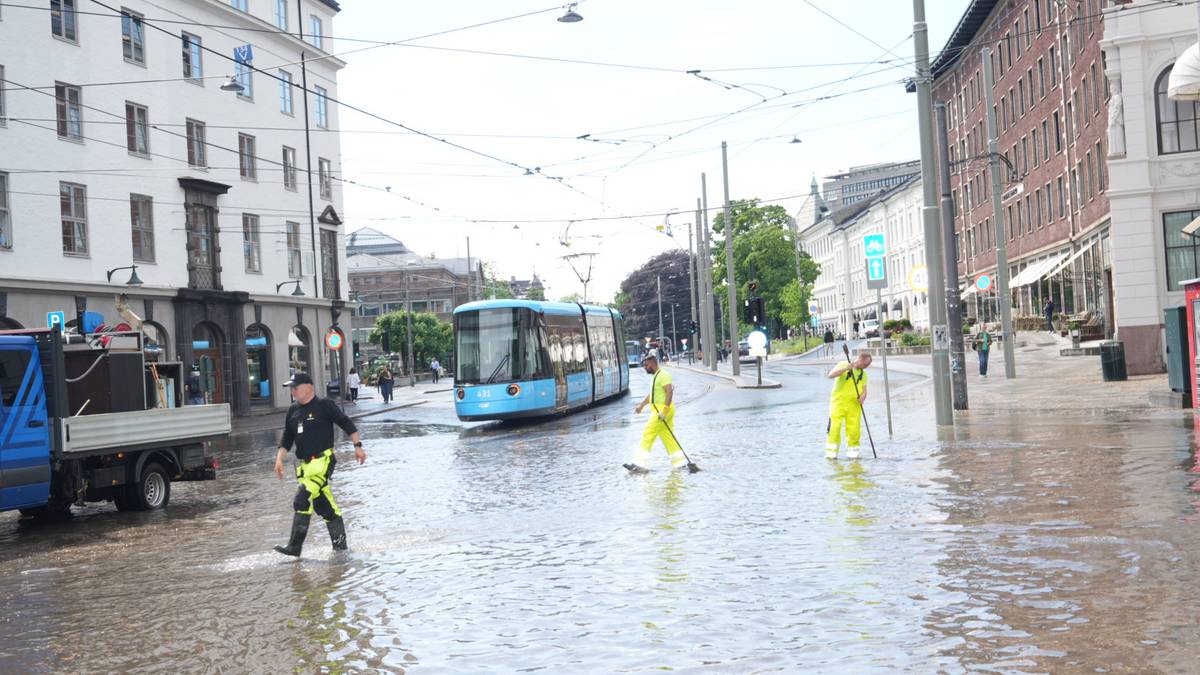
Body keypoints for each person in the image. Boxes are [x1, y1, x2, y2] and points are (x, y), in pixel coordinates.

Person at [273, 373, 366, 557]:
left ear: (309, 386)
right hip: (304, 467)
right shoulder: (292, 410)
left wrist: (358, 447)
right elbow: (287, 437)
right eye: (291, 388)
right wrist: (279, 459)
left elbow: (346, 423)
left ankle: (294, 547)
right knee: (326, 507)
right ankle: (341, 549)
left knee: (302, 499)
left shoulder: (324, 405)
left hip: (323, 461)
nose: (293, 391)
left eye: (295, 387)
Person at [624, 352, 687, 472]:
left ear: (652, 364)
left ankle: (638, 464)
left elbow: (669, 392)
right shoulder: (656, 376)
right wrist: (641, 406)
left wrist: (665, 411)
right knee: (668, 437)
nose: (645, 368)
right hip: (661, 411)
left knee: (648, 433)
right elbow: (652, 395)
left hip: (661, 412)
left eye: (646, 365)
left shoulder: (663, 375)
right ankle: (680, 463)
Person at [825, 352, 871, 460]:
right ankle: (831, 455)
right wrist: (846, 369)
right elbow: (831, 375)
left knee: (854, 431)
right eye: (864, 365)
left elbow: (865, 390)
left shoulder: (863, 374)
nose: (865, 367)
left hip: (854, 405)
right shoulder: (843, 364)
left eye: (867, 366)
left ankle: (853, 455)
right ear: (859, 359)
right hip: (838, 403)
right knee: (834, 428)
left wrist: (862, 397)